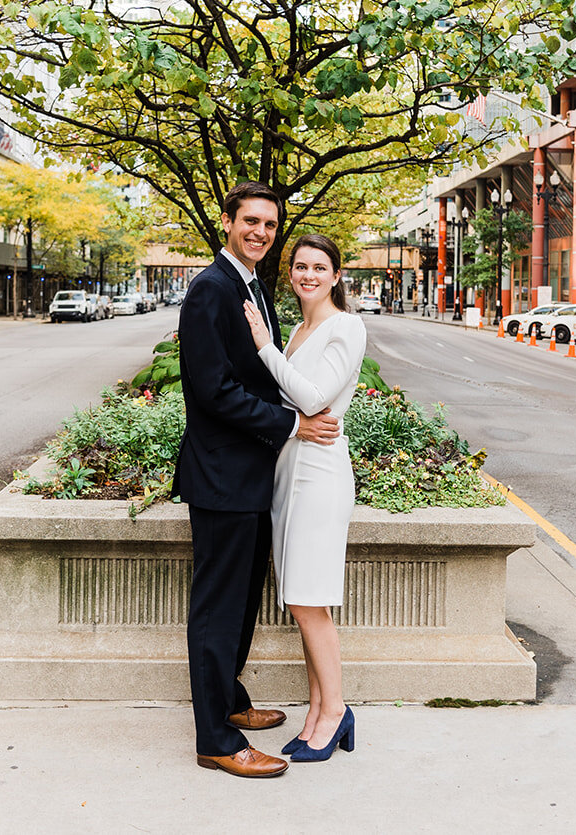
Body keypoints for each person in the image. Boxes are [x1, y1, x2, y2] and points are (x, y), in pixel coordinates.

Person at [174, 182, 341, 779]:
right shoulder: (210, 292)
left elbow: (267, 371)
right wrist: (292, 425)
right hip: (221, 473)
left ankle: (231, 704)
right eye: (251, 222)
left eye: (269, 225)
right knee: (218, 609)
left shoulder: (251, 285)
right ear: (226, 222)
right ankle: (216, 739)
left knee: (243, 602)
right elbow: (215, 392)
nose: (261, 233)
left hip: (251, 474)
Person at [241, 234, 364, 763]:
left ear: (337, 276)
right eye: (300, 266)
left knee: (309, 600)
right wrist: (276, 346)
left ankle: (334, 711)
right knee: (298, 598)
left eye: (320, 267)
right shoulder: (299, 329)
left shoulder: (345, 326)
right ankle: (318, 710)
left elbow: (315, 398)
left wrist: (263, 347)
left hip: (321, 473)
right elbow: (292, 404)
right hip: (290, 471)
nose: (308, 274)